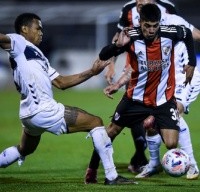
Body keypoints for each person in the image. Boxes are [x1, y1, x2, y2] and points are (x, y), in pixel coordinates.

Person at [0, 13, 137, 185]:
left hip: (28, 114)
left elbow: (61, 82)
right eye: (38, 28)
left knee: (24, 149)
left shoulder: (38, 55)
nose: (41, 32)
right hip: (43, 109)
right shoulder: (18, 42)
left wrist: (91, 72)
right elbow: (3, 39)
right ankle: (111, 176)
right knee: (95, 122)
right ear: (24, 29)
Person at [85, 0, 200, 183]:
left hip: (163, 99)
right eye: (147, 26)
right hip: (135, 99)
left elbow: (188, 35)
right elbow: (104, 54)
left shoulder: (170, 31)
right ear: (141, 22)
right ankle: (92, 170)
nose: (151, 30)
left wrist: (191, 63)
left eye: (155, 26)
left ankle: (155, 141)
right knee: (111, 130)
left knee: (171, 143)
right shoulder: (131, 36)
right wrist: (115, 47)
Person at [105, 0, 178, 174]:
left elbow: (181, 32)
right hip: (135, 60)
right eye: (138, 6)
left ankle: (146, 155)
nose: (140, 9)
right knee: (136, 106)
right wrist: (112, 64)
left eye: (144, 6)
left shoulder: (168, 7)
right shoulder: (127, 9)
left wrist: (187, 61)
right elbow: (118, 37)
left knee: (162, 115)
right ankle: (141, 156)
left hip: (161, 63)